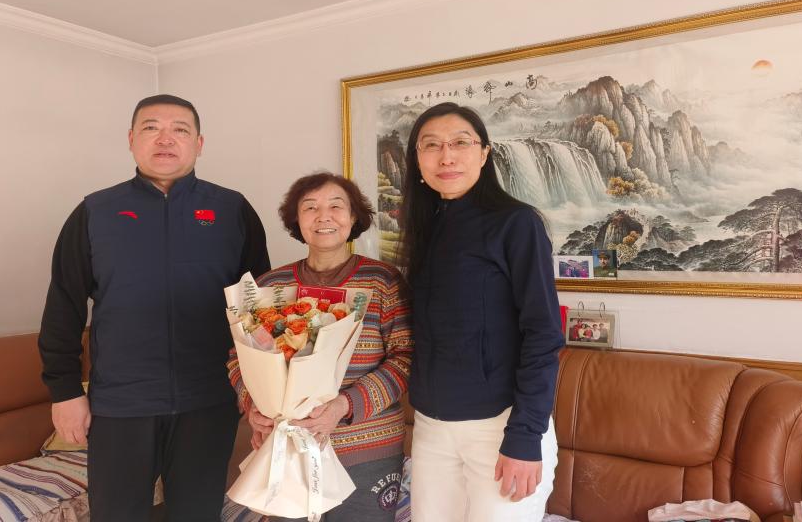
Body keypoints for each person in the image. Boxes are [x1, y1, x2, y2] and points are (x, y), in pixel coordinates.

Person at [38, 94, 270, 522]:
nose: (165, 139)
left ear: (199, 143)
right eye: (151, 128)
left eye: (180, 129)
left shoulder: (232, 210)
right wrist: (65, 391)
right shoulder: (95, 212)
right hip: (121, 402)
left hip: (209, 398)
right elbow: (63, 307)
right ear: (131, 139)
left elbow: (258, 309)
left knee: (197, 513)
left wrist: (262, 391)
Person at [398, 102, 563, 522]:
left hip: (499, 426)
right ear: (417, 159)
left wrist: (525, 436)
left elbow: (543, 333)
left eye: (460, 143)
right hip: (432, 427)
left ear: (484, 153)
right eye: (431, 145)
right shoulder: (424, 227)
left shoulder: (517, 223)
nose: (446, 156)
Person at [227, 172, 413, 522]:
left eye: (336, 206)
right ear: (296, 220)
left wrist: (344, 405)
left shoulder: (383, 281)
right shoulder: (270, 286)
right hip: (288, 450)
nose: (323, 216)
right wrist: (255, 407)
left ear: (354, 217)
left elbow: (405, 358)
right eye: (310, 207)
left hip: (366, 449)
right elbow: (239, 357)